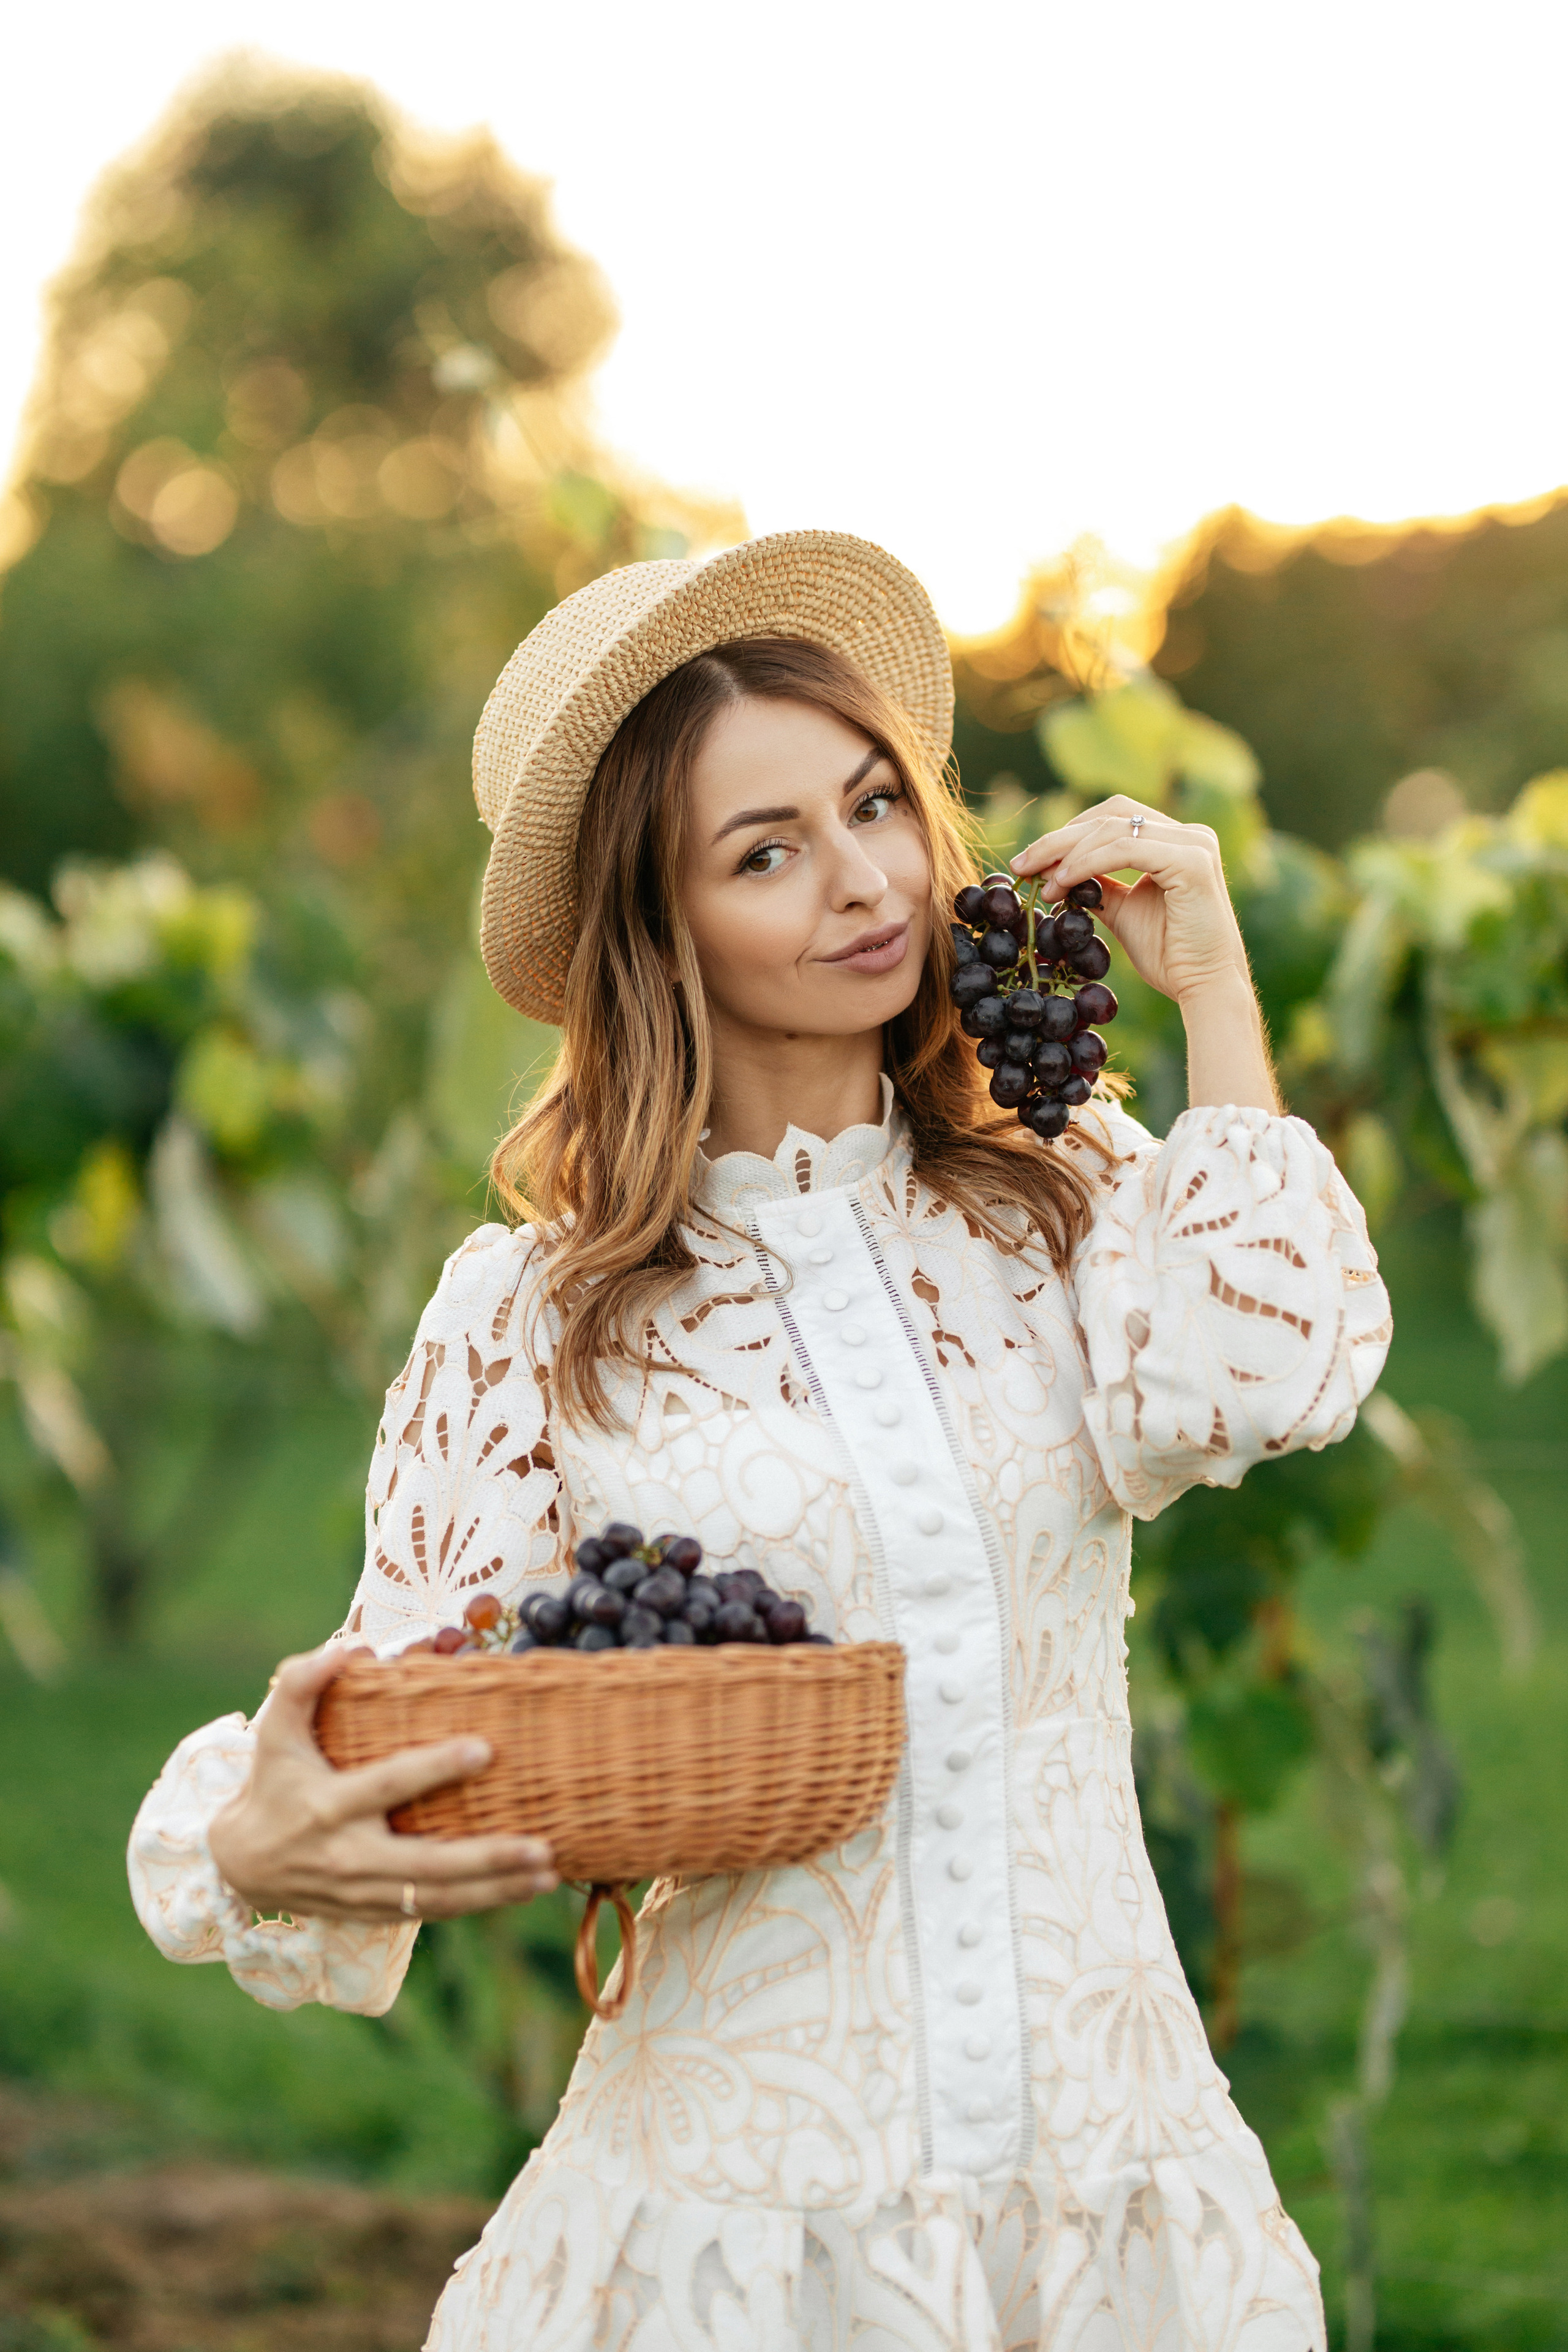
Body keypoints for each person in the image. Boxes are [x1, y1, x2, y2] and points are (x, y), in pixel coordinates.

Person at [129, 532, 1390, 2350]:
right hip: (738, 2237)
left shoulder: (1061, 1196)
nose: (867, 882)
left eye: (874, 806)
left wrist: (1214, 993)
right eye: (764, 852)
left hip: (1112, 2191)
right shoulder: (537, 1314)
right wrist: (247, 1847)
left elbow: (1259, 1385)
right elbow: (403, 1701)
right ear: (661, 930)